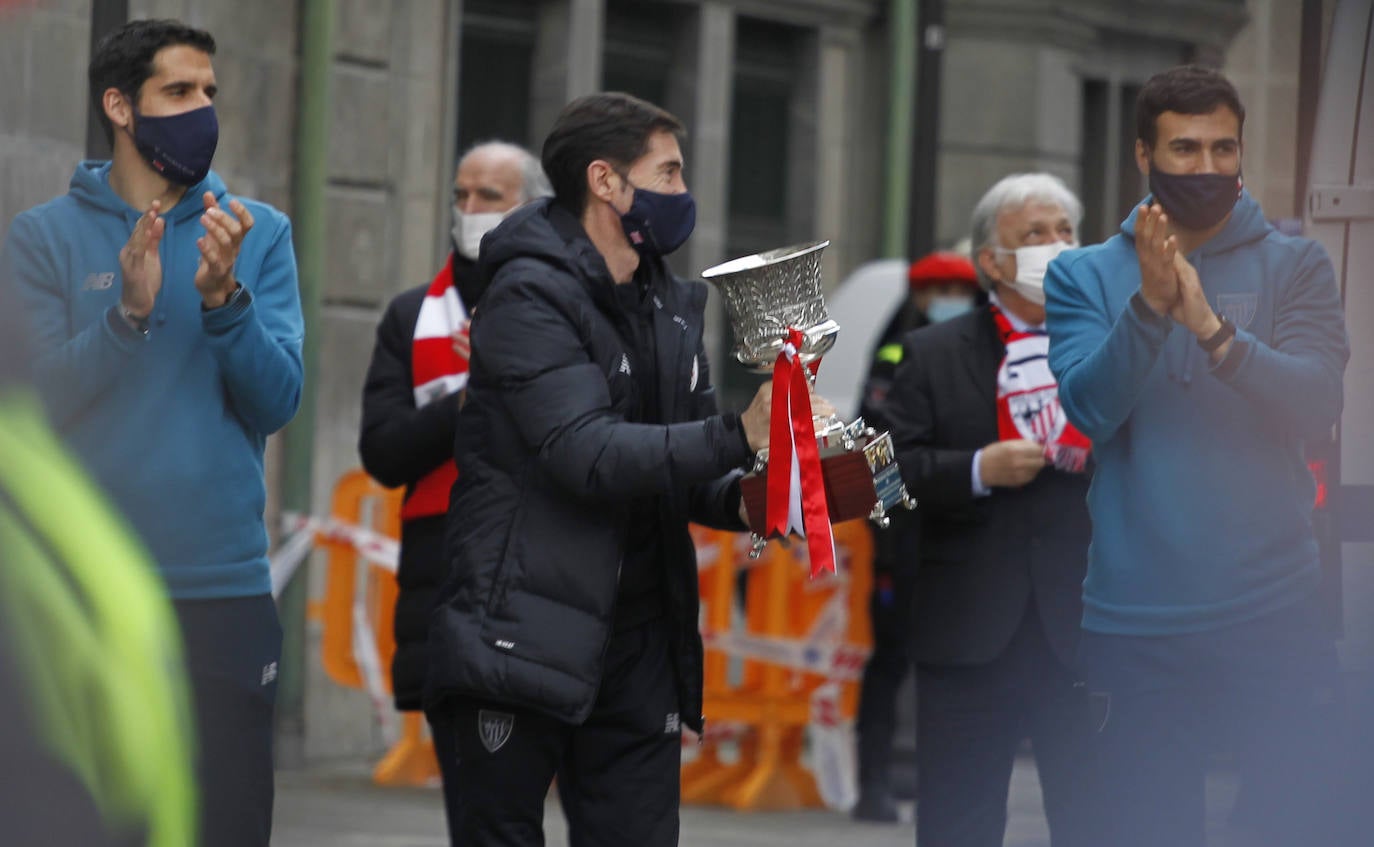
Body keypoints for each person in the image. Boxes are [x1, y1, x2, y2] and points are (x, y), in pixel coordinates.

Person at [424, 92, 826, 846]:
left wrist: (769, 496)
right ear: (606, 182)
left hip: (639, 643)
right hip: (520, 634)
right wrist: (740, 431)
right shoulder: (527, 293)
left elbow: (684, 465)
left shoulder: (673, 305)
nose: (684, 194)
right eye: (668, 173)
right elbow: (589, 452)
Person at [1, 19, 303, 847]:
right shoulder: (41, 237)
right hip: (86, 600)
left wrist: (223, 302)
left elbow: (278, 402)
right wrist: (125, 318)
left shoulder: (257, 232)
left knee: (226, 827)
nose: (202, 108)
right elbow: (31, 415)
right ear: (119, 106)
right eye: (178, 91)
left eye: (209, 92)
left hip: (225, 595)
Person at [1045, 65, 1349, 847]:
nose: (1208, 167)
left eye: (1224, 148)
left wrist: (1215, 332)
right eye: (1185, 148)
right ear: (1144, 155)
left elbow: (1318, 402)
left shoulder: (1298, 265)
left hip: (1273, 611)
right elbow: (1089, 409)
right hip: (1133, 622)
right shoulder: (1082, 274)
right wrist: (1149, 308)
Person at [884, 173, 1099, 846]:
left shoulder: (1105, 344)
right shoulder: (931, 352)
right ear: (991, 262)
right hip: (970, 634)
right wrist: (978, 468)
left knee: (1098, 820)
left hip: (1083, 629)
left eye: (1066, 231)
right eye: (1034, 234)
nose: (1056, 246)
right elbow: (887, 478)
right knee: (959, 824)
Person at [359, 141, 551, 715]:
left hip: (539, 570)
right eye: (461, 195)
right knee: (471, 793)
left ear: (531, 207)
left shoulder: (564, 310)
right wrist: (469, 397)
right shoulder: (413, 316)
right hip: (440, 573)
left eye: (489, 196)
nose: (470, 210)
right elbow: (384, 453)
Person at [852, 250, 980, 822]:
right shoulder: (897, 353)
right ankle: (874, 783)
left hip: (962, 534)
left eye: (961, 288)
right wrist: (886, 530)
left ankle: (936, 779)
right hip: (904, 538)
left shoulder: (979, 354)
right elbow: (876, 450)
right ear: (921, 296)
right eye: (941, 289)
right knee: (890, 659)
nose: (952, 299)